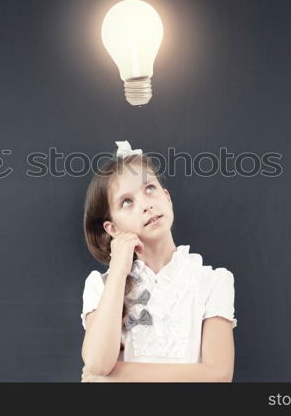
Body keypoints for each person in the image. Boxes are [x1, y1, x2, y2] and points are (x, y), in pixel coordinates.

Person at [80, 141, 236, 382]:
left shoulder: (213, 281)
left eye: (150, 188)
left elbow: (218, 374)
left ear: (167, 197)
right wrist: (119, 270)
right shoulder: (101, 286)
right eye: (127, 202)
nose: (146, 205)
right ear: (112, 228)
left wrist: (116, 376)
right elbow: (98, 363)